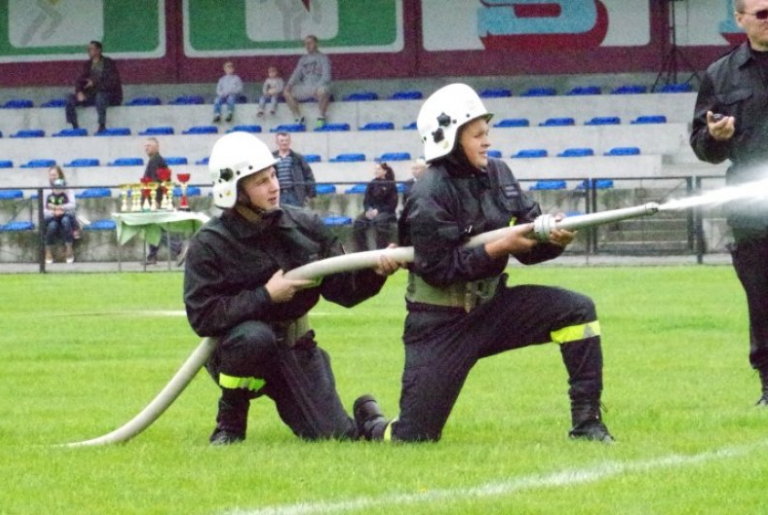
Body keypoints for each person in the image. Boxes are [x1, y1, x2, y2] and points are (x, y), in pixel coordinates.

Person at [352, 84, 614, 443]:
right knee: (414, 438)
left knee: (578, 311)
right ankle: (371, 422)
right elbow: (440, 269)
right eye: (477, 135)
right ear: (449, 138)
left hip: (492, 308)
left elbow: (527, 247)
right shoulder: (427, 193)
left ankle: (587, 424)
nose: (487, 142)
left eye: (486, 132)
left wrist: (552, 240)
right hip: (439, 322)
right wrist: (498, 246)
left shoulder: (500, 175)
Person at [183, 131, 400, 445]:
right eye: (261, 182)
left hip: (295, 346)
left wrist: (375, 273)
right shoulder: (210, 243)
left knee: (334, 437)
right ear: (235, 191)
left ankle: (366, 414)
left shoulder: (305, 227)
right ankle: (230, 422)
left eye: (272, 175)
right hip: (239, 351)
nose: (274, 187)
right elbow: (203, 317)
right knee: (254, 338)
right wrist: (266, 295)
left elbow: (344, 291)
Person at [690, 0, 768, 406]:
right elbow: (702, 146)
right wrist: (716, 137)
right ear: (739, 19)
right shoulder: (719, 75)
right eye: (762, 13)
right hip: (751, 208)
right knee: (761, 297)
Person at [141, 138, 186, 265]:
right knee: (153, 227)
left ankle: (178, 247)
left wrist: (156, 201)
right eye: (145, 146)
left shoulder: (155, 161)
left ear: (157, 147)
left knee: (156, 229)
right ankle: (152, 255)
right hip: (158, 198)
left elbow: (157, 182)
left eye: (149, 145)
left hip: (157, 200)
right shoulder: (155, 160)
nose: (146, 148)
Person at [65, 40, 123, 134]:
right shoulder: (87, 64)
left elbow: (112, 82)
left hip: (108, 95)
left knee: (100, 97)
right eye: (88, 49)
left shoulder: (109, 63)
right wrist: (79, 92)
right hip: (91, 95)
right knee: (70, 98)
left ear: (99, 50)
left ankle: (102, 125)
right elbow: (80, 80)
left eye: (91, 49)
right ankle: (74, 126)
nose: (89, 51)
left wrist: (95, 83)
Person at [283, 35, 332, 129]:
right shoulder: (303, 59)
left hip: (318, 86)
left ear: (316, 44)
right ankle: (298, 118)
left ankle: (321, 117)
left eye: (310, 43)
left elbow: (326, 77)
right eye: (306, 44)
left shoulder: (323, 58)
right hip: (305, 87)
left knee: (323, 90)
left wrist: (316, 87)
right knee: (286, 92)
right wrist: (289, 84)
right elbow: (296, 74)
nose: (308, 45)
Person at [353, 162, 398, 251]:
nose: (376, 171)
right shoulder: (372, 183)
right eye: (375, 169)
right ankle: (362, 250)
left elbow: (392, 204)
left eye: (378, 169)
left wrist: (378, 210)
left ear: (385, 171)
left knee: (380, 221)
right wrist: (369, 210)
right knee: (359, 222)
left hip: (386, 212)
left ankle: (380, 249)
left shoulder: (391, 184)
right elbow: (366, 200)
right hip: (371, 211)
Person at [43, 166, 77, 264]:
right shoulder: (46, 191)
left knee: (66, 220)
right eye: (51, 175)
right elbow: (44, 208)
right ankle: (48, 250)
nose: (52, 177)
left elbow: (72, 205)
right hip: (51, 217)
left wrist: (61, 208)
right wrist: (53, 211)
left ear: (60, 176)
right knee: (52, 225)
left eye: (54, 175)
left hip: (65, 215)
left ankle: (69, 248)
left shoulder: (67, 189)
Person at [272, 132, 316, 207]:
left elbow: (308, 175)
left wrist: (310, 194)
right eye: (282, 141)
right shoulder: (271, 158)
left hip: (295, 194)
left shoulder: (298, 158)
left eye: (286, 140)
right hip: (278, 194)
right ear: (277, 142)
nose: (284, 143)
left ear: (289, 141)